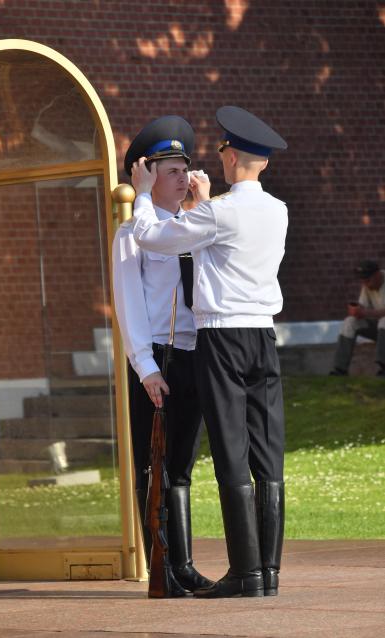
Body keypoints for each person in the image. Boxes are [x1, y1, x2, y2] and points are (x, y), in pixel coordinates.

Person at [130, 105, 288, 598]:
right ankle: (268, 573)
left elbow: (153, 237)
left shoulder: (216, 213)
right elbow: (212, 244)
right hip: (264, 334)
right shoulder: (276, 209)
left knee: (231, 453)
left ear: (232, 154)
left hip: (221, 337)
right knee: (269, 455)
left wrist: (138, 197)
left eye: (221, 149)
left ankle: (243, 571)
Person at [112, 115, 213, 595]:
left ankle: (185, 564)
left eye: (184, 168)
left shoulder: (195, 228)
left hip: (194, 354)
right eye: (170, 169)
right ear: (147, 176)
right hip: (157, 358)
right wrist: (145, 368)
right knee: (154, 463)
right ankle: (163, 567)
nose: (182, 177)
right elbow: (129, 305)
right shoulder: (132, 233)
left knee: (182, 465)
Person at [330, 259, 385, 377]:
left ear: (377, 275)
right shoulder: (367, 286)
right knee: (349, 322)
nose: (365, 284)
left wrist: (365, 313)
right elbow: (363, 305)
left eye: (368, 281)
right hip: (379, 329)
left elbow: (370, 312)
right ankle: (340, 369)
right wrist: (356, 310)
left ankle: (383, 368)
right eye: (363, 281)